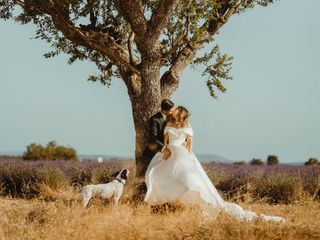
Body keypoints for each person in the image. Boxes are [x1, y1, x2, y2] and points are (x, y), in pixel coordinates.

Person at [144, 106, 286, 223]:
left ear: (179, 113)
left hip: (181, 152)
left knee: (187, 178)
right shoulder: (169, 125)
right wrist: (167, 151)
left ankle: (186, 199)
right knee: (168, 174)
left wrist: (189, 157)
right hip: (171, 151)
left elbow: (190, 145)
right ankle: (170, 200)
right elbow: (166, 141)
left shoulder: (187, 128)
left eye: (176, 110)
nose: (173, 111)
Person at [142, 99, 174, 174]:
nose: (172, 113)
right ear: (165, 110)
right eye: (171, 111)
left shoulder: (172, 118)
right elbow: (153, 138)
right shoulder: (154, 119)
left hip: (170, 150)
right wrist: (164, 148)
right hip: (157, 152)